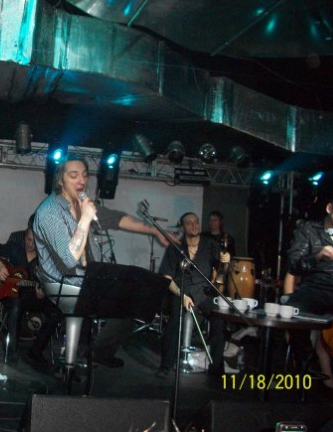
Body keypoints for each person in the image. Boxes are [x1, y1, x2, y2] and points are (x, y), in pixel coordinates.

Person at [32, 154, 176, 369]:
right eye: (73, 175)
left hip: (88, 276)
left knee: (142, 291)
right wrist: (85, 218)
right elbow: (68, 259)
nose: (81, 180)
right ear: (60, 180)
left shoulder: (82, 204)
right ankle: (78, 359)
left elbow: (118, 219)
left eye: (84, 175)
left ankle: (100, 351)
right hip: (61, 282)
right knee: (132, 287)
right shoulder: (49, 211)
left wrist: (154, 231)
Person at [156, 211, 230, 378]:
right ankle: (166, 365)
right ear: (182, 227)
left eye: (196, 222)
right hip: (181, 292)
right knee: (175, 322)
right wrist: (182, 296)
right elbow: (166, 278)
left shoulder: (210, 245)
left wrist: (226, 263)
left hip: (204, 292)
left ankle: (217, 368)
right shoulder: (175, 247)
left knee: (219, 320)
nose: (194, 225)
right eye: (189, 222)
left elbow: (221, 271)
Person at [0, 222, 62, 370]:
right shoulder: (13, 248)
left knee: (56, 312)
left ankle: (36, 351)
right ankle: (12, 351)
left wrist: (43, 290)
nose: (30, 244)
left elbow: (48, 280)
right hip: (10, 294)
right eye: (28, 239)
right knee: (16, 307)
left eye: (34, 242)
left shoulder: (45, 259)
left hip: (31, 296)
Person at [284, 191, 333, 388]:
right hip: (315, 290)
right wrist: (318, 256)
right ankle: (305, 364)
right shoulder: (309, 231)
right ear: (329, 208)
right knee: (293, 312)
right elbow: (294, 265)